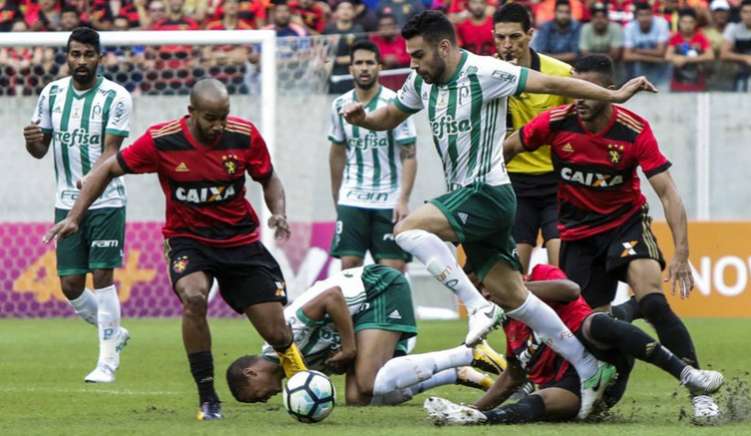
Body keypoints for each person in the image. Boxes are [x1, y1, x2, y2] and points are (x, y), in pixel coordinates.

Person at [342, 10, 656, 419]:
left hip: (488, 192)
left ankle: (476, 306)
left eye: (418, 55)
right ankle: (587, 366)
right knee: (517, 298)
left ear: (444, 47)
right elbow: (389, 116)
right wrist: (364, 118)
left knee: (406, 230)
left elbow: (553, 81)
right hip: (465, 196)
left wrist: (612, 96)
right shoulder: (422, 79)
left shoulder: (487, 71)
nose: (413, 64)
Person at [43, 78, 309, 421]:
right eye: (211, 118)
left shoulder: (244, 135)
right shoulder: (162, 140)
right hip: (189, 240)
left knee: (277, 332)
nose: (219, 126)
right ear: (192, 113)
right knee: (194, 297)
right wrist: (76, 217)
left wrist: (279, 213)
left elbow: (269, 178)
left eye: (223, 116)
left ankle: (302, 378)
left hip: (240, 241)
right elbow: (107, 169)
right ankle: (208, 398)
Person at [503, 54, 721, 421]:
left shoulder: (633, 130)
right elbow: (506, 150)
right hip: (577, 234)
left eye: (589, 91)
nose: (580, 99)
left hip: (625, 225)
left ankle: (699, 391)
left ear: (610, 92)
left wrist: (682, 253)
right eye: (576, 91)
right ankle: (593, 369)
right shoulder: (556, 123)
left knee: (653, 301)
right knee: (590, 328)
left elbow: (668, 193)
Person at [423, 264, 725, 426]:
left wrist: (517, 291)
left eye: (484, 284)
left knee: (597, 323)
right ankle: (478, 420)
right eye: (476, 289)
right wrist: (474, 407)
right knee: (546, 399)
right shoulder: (510, 326)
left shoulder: (539, 276)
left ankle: (689, 375)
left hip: (604, 358)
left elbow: (570, 290)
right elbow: (512, 377)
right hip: (579, 388)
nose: (483, 293)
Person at [226, 265, 504, 405]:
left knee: (370, 382)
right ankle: (457, 373)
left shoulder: (282, 335)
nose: (264, 400)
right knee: (358, 399)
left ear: (251, 373)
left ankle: (468, 352)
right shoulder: (297, 371)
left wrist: (348, 349)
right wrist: (346, 357)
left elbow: (332, 297)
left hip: (377, 289)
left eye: (255, 397)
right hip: (361, 320)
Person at [23, 27, 132, 384]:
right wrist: (33, 142)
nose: (81, 61)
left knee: (102, 277)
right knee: (70, 285)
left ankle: (107, 361)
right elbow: (40, 152)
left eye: (88, 55)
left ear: (100, 58)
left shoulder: (117, 96)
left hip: (107, 200)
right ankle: (114, 332)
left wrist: (87, 195)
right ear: (67, 56)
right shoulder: (51, 94)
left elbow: (110, 153)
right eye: (75, 54)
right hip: (65, 201)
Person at [493, 3, 572, 271]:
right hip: (512, 184)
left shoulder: (560, 74)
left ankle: (570, 314)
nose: (507, 45)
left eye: (514, 37)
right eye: (500, 37)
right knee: (513, 272)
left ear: (530, 34)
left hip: (557, 183)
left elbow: (580, 125)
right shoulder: (484, 75)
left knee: (562, 269)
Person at [329, 41, 417, 272]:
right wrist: (337, 196)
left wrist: (404, 199)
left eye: (370, 62)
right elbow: (337, 153)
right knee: (349, 266)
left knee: (393, 268)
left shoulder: (396, 103)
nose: (364, 68)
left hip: (388, 198)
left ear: (379, 67)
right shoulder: (339, 105)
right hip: (352, 197)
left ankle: (391, 310)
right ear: (351, 69)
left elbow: (409, 154)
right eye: (359, 63)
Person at [623, 2, 670, 88]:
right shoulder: (629, 27)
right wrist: (653, 58)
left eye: (647, 14)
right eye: (641, 15)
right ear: (636, 16)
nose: (645, 18)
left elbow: (661, 52)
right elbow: (627, 56)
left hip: (660, 69)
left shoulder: (662, 23)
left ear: (652, 15)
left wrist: (636, 51)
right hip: (639, 69)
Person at [665, 8, 714, 92]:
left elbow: (710, 56)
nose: (687, 25)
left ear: (695, 23)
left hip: (697, 79)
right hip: (678, 80)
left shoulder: (701, 38)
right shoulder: (674, 38)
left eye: (690, 22)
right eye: (684, 22)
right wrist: (675, 58)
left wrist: (686, 59)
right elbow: (667, 56)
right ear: (679, 23)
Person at [531, 0, 582, 64]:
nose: (564, 15)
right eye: (560, 12)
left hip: (570, 65)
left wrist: (550, 56)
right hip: (548, 64)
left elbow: (575, 55)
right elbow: (540, 53)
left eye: (567, 12)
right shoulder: (545, 27)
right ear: (554, 12)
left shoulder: (576, 27)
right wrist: (564, 57)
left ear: (570, 13)